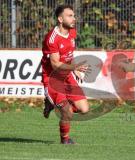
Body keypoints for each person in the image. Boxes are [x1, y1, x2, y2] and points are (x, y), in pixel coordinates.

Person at [41, 4, 89, 144]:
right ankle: (65, 140)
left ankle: (54, 105)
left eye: (74, 15)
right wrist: (74, 66)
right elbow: (55, 64)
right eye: (70, 16)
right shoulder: (52, 38)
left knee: (84, 109)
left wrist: (74, 69)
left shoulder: (72, 32)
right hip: (52, 79)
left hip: (66, 75)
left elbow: (67, 55)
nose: (74, 18)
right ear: (60, 19)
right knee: (67, 111)